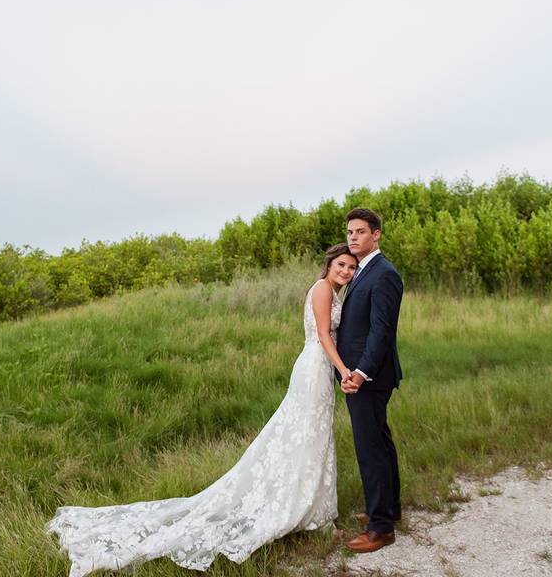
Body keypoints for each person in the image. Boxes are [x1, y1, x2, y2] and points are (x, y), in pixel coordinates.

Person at [46, 244, 359, 576]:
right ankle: (308, 513)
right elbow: (324, 336)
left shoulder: (330, 290)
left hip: (317, 368)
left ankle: (315, 512)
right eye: (342, 264)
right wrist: (344, 370)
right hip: (315, 366)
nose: (346, 272)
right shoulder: (324, 288)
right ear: (328, 264)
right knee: (308, 437)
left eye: (352, 268)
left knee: (312, 439)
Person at [337, 208, 405, 552]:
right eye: (350, 232)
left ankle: (381, 529)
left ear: (376, 234)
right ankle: (388, 510)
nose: (353, 237)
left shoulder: (384, 274)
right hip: (363, 375)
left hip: (370, 377)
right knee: (380, 441)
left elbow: (381, 332)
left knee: (370, 449)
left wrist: (360, 373)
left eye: (360, 231)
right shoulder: (362, 270)